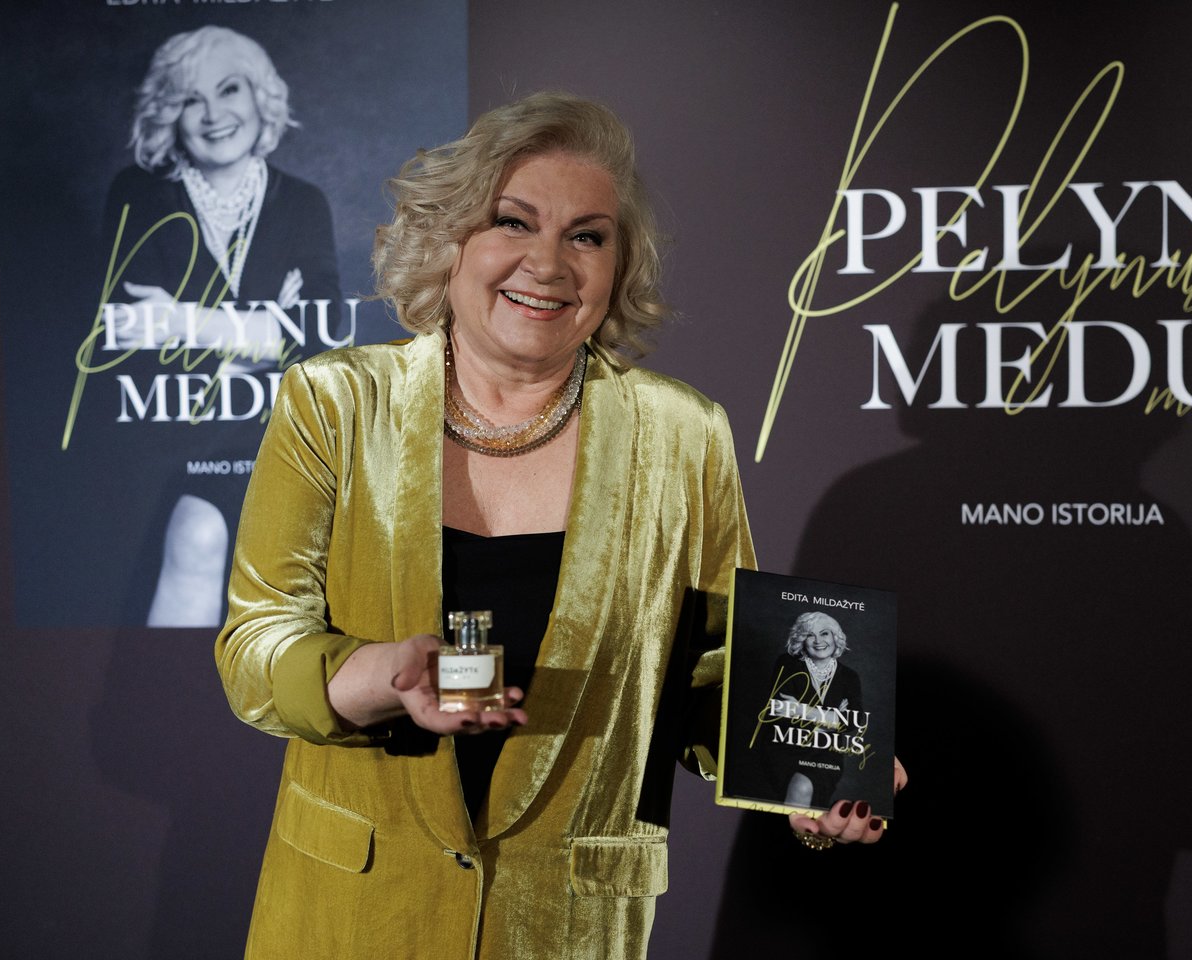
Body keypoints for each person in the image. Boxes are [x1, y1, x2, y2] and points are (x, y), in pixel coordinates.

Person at [216, 92, 895, 960]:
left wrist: (809, 774)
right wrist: (385, 675)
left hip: (568, 925)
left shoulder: (684, 435)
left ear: (618, 266)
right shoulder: (335, 404)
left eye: (587, 236)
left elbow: (719, 674)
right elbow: (257, 649)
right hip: (352, 915)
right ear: (450, 240)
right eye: (513, 222)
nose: (547, 264)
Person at [103, 25, 342, 626]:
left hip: (282, 437)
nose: (213, 115)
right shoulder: (137, 195)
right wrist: (262, 332)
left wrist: (180, 321)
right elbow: (128, 336)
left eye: (229, 89)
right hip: (170, 436)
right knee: (196, 538)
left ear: (261, 95)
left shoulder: (302, 202)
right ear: (169, 112)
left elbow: (321, 335)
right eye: (191, 98)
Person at [765, 610, 862, 808]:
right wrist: (832, 718)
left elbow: (855, 721)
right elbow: (780, 710)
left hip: (826, 754)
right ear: (802, 639)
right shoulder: (788, 664)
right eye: (810, 635)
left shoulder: (849, 677)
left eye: (824, 633)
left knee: (802, 789)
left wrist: (801, 710)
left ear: (835, 637)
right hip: (785, 748)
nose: (818, 641)